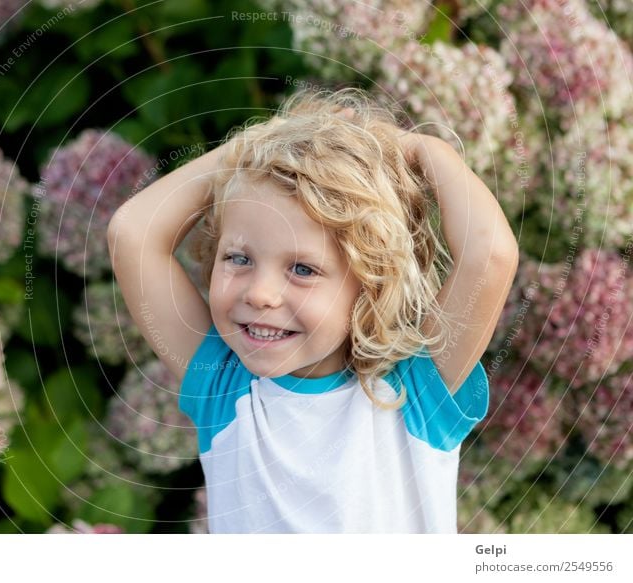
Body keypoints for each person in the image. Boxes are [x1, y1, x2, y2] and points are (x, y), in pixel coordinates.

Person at [107, 87, 519, 533]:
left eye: (302, 269)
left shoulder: (415, 393)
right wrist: (254, 147)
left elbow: (490, 254)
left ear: (373, 287)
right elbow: (133, 233)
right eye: (239, 259)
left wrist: (420, 148)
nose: (261, 294)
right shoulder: (225, 390)